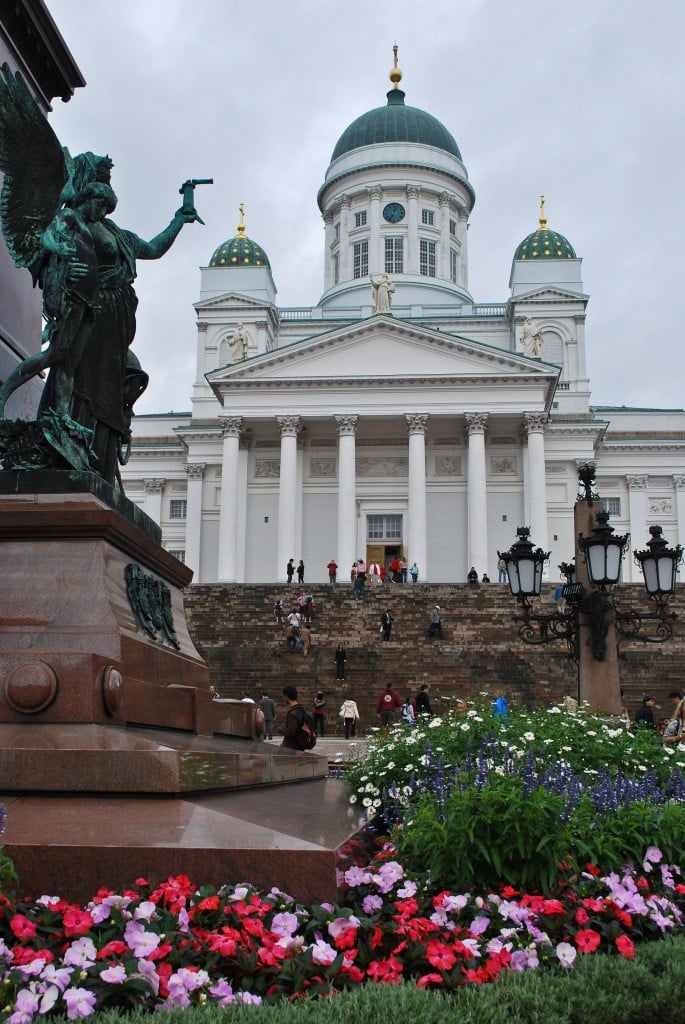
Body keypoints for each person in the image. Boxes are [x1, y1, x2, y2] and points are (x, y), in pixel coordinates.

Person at [281, 685, 306, 750]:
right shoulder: (301, 709)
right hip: (299, 746)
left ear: (286, 697)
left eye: (283, 696)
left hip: (292, 749)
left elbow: (290, 733)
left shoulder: (293, 713)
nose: (283, 698)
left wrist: (281, 729)